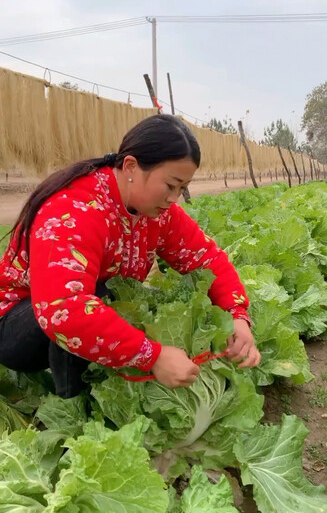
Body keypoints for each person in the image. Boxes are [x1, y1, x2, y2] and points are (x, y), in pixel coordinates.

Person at [0, 114, 260, 398]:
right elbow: (64, 310)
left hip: (71, 315)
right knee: (100, 294)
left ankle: (103, 384)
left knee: (115, 294)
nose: (175, 198)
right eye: (171, 185)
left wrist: (237, 316)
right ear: (131, 166)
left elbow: (206, 259)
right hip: (15, 328)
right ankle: (73, 403)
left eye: (182, 188)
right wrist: (153, 356)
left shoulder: (158, 214)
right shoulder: (75, 210)